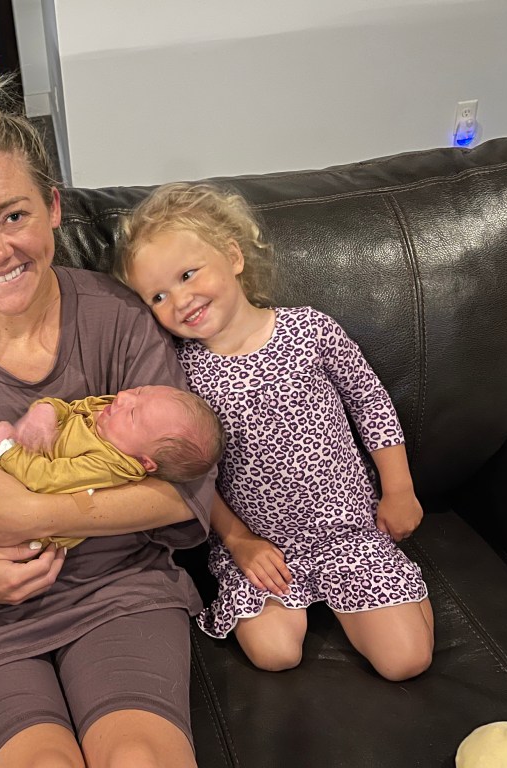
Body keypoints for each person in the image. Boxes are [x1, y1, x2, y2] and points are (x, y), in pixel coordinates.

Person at [0, 63, 217, 768]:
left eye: (14, 215)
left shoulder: (116, 318)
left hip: (118, 590)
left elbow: (182, 487)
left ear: (53, 206)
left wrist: (33, 513)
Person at [117, 181, 434, 682]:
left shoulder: (310, 329)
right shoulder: (179, 375)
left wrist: (399, 489)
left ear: (233, 256)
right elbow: (189, 471)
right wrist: (239, 540)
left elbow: (370, 403)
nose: (180, 299)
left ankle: (385, 587)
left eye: (188, 274)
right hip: (263, 547)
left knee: (405, 661)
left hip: (348, 534)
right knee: (274, 653)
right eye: (158, 295)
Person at [0, 386, 225, 665]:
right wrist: (45, 411)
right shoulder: (109, 417)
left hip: (12, 530)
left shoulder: (110, 464)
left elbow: (45, 480)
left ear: (145, 462)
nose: (123, 397)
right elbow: (74, 407)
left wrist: (5, 446)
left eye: (134, 414)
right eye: (139, 391)